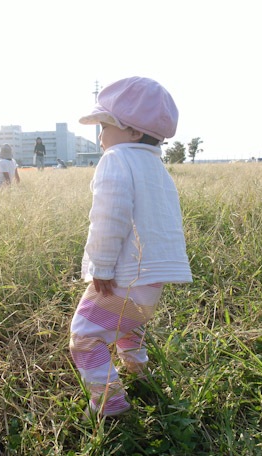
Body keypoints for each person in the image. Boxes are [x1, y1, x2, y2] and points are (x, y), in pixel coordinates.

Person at [69, 76, 192, 419]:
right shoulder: (156, 166)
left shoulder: (117, 158)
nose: (100, 136)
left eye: (105, 126)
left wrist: (101, 268)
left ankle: (109, 405)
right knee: (129, 326)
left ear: (134, 132)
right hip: (153, 277)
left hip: (124, 271)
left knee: (85, 336)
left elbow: (109, 218)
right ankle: (140, 374)